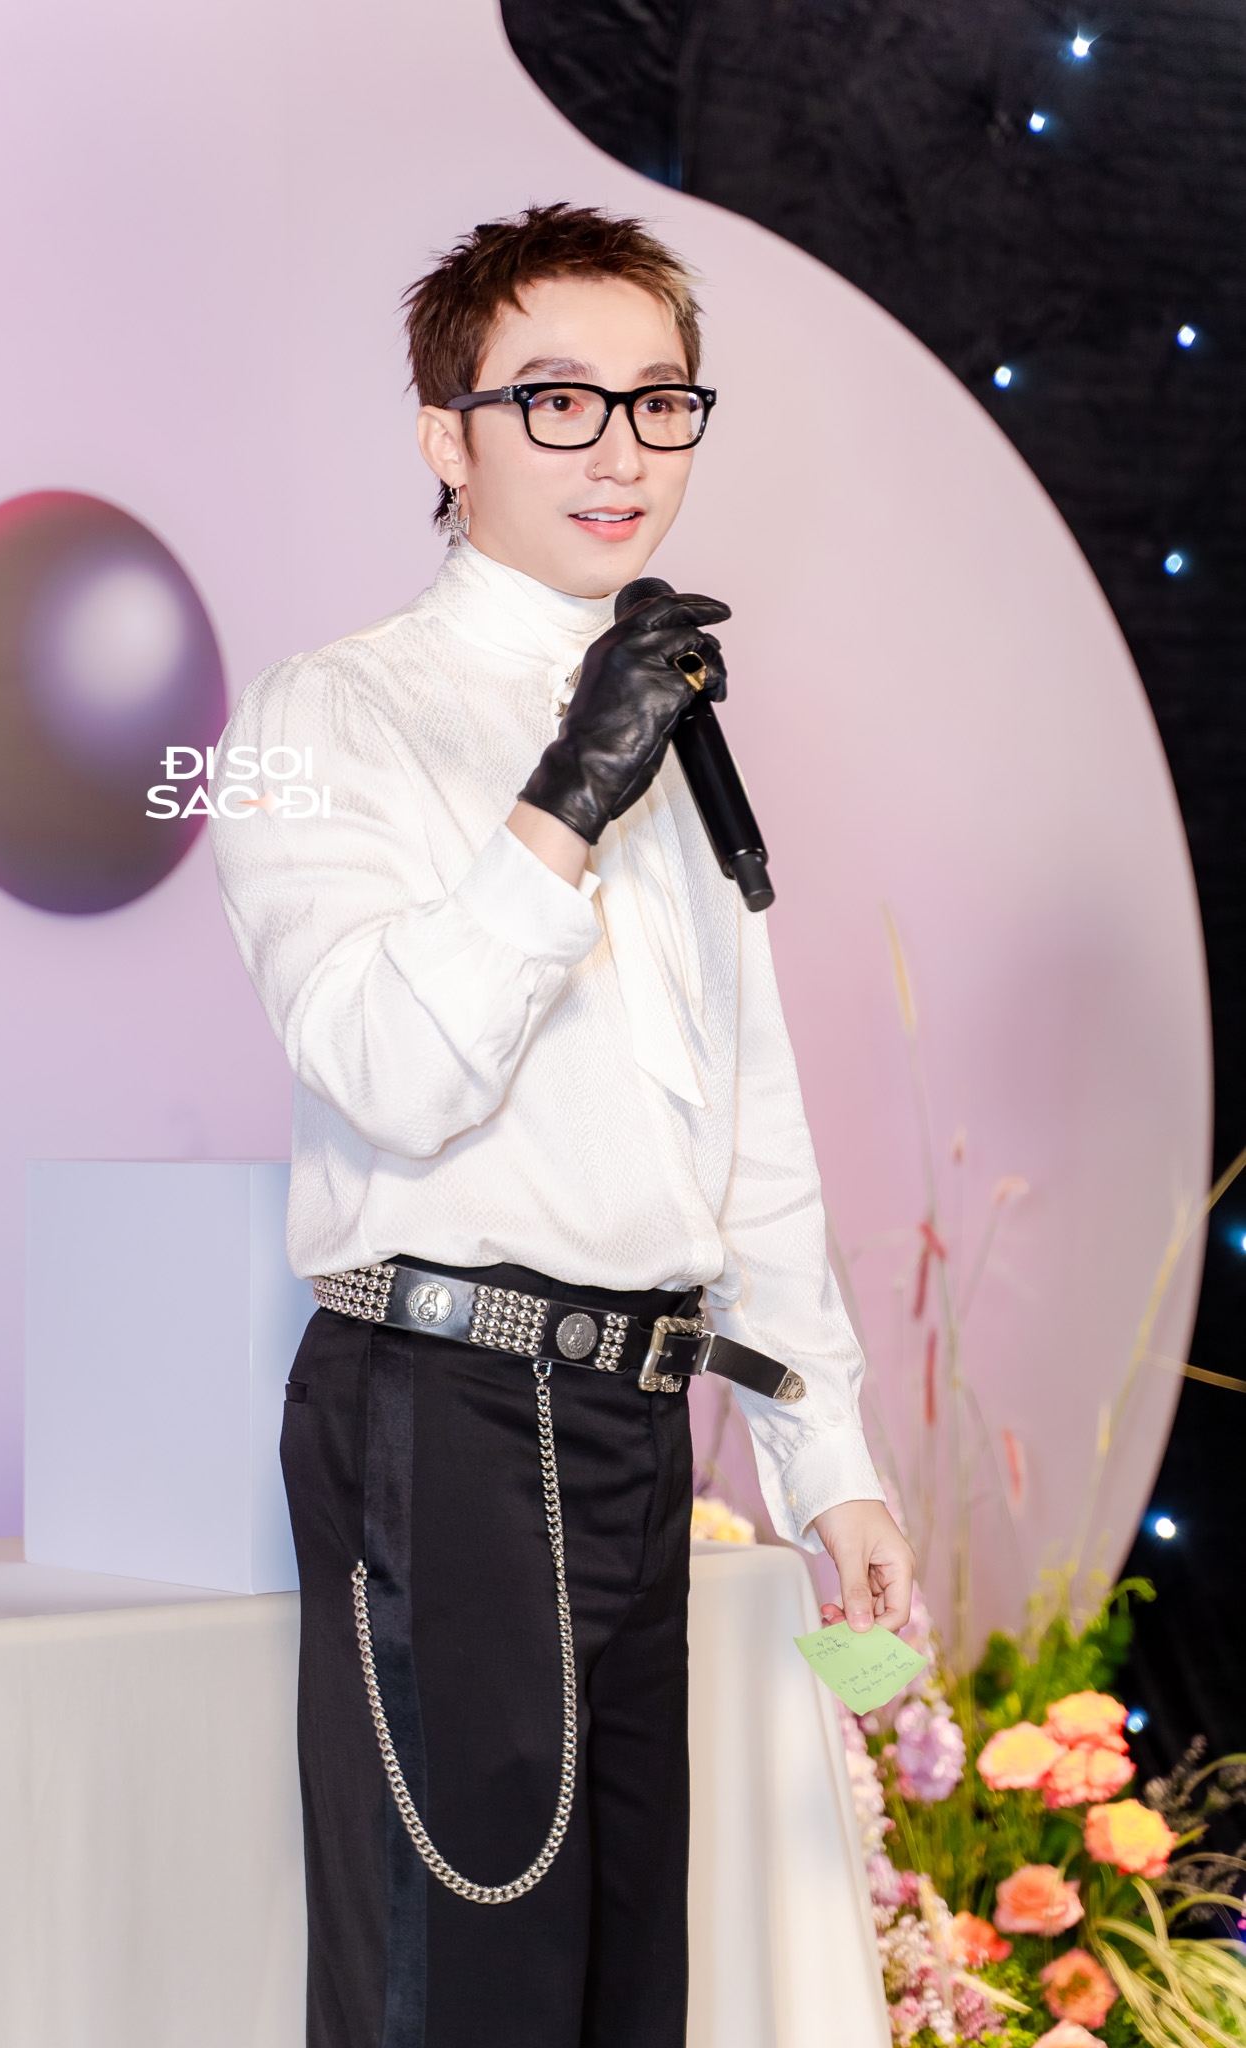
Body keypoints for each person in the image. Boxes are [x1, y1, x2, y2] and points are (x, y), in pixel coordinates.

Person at [211, 201, 912, 2048]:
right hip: (442, 1409)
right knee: (460, 1991)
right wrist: (570, 791)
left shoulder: (664, 713)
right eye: (555, 400)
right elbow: (386, 1068)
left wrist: (825, 1459)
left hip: (633, 1421)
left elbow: (746, 1126)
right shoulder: (320, 714)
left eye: (660, 401)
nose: (619, 449)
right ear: (444, 438)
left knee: (618, 1996)